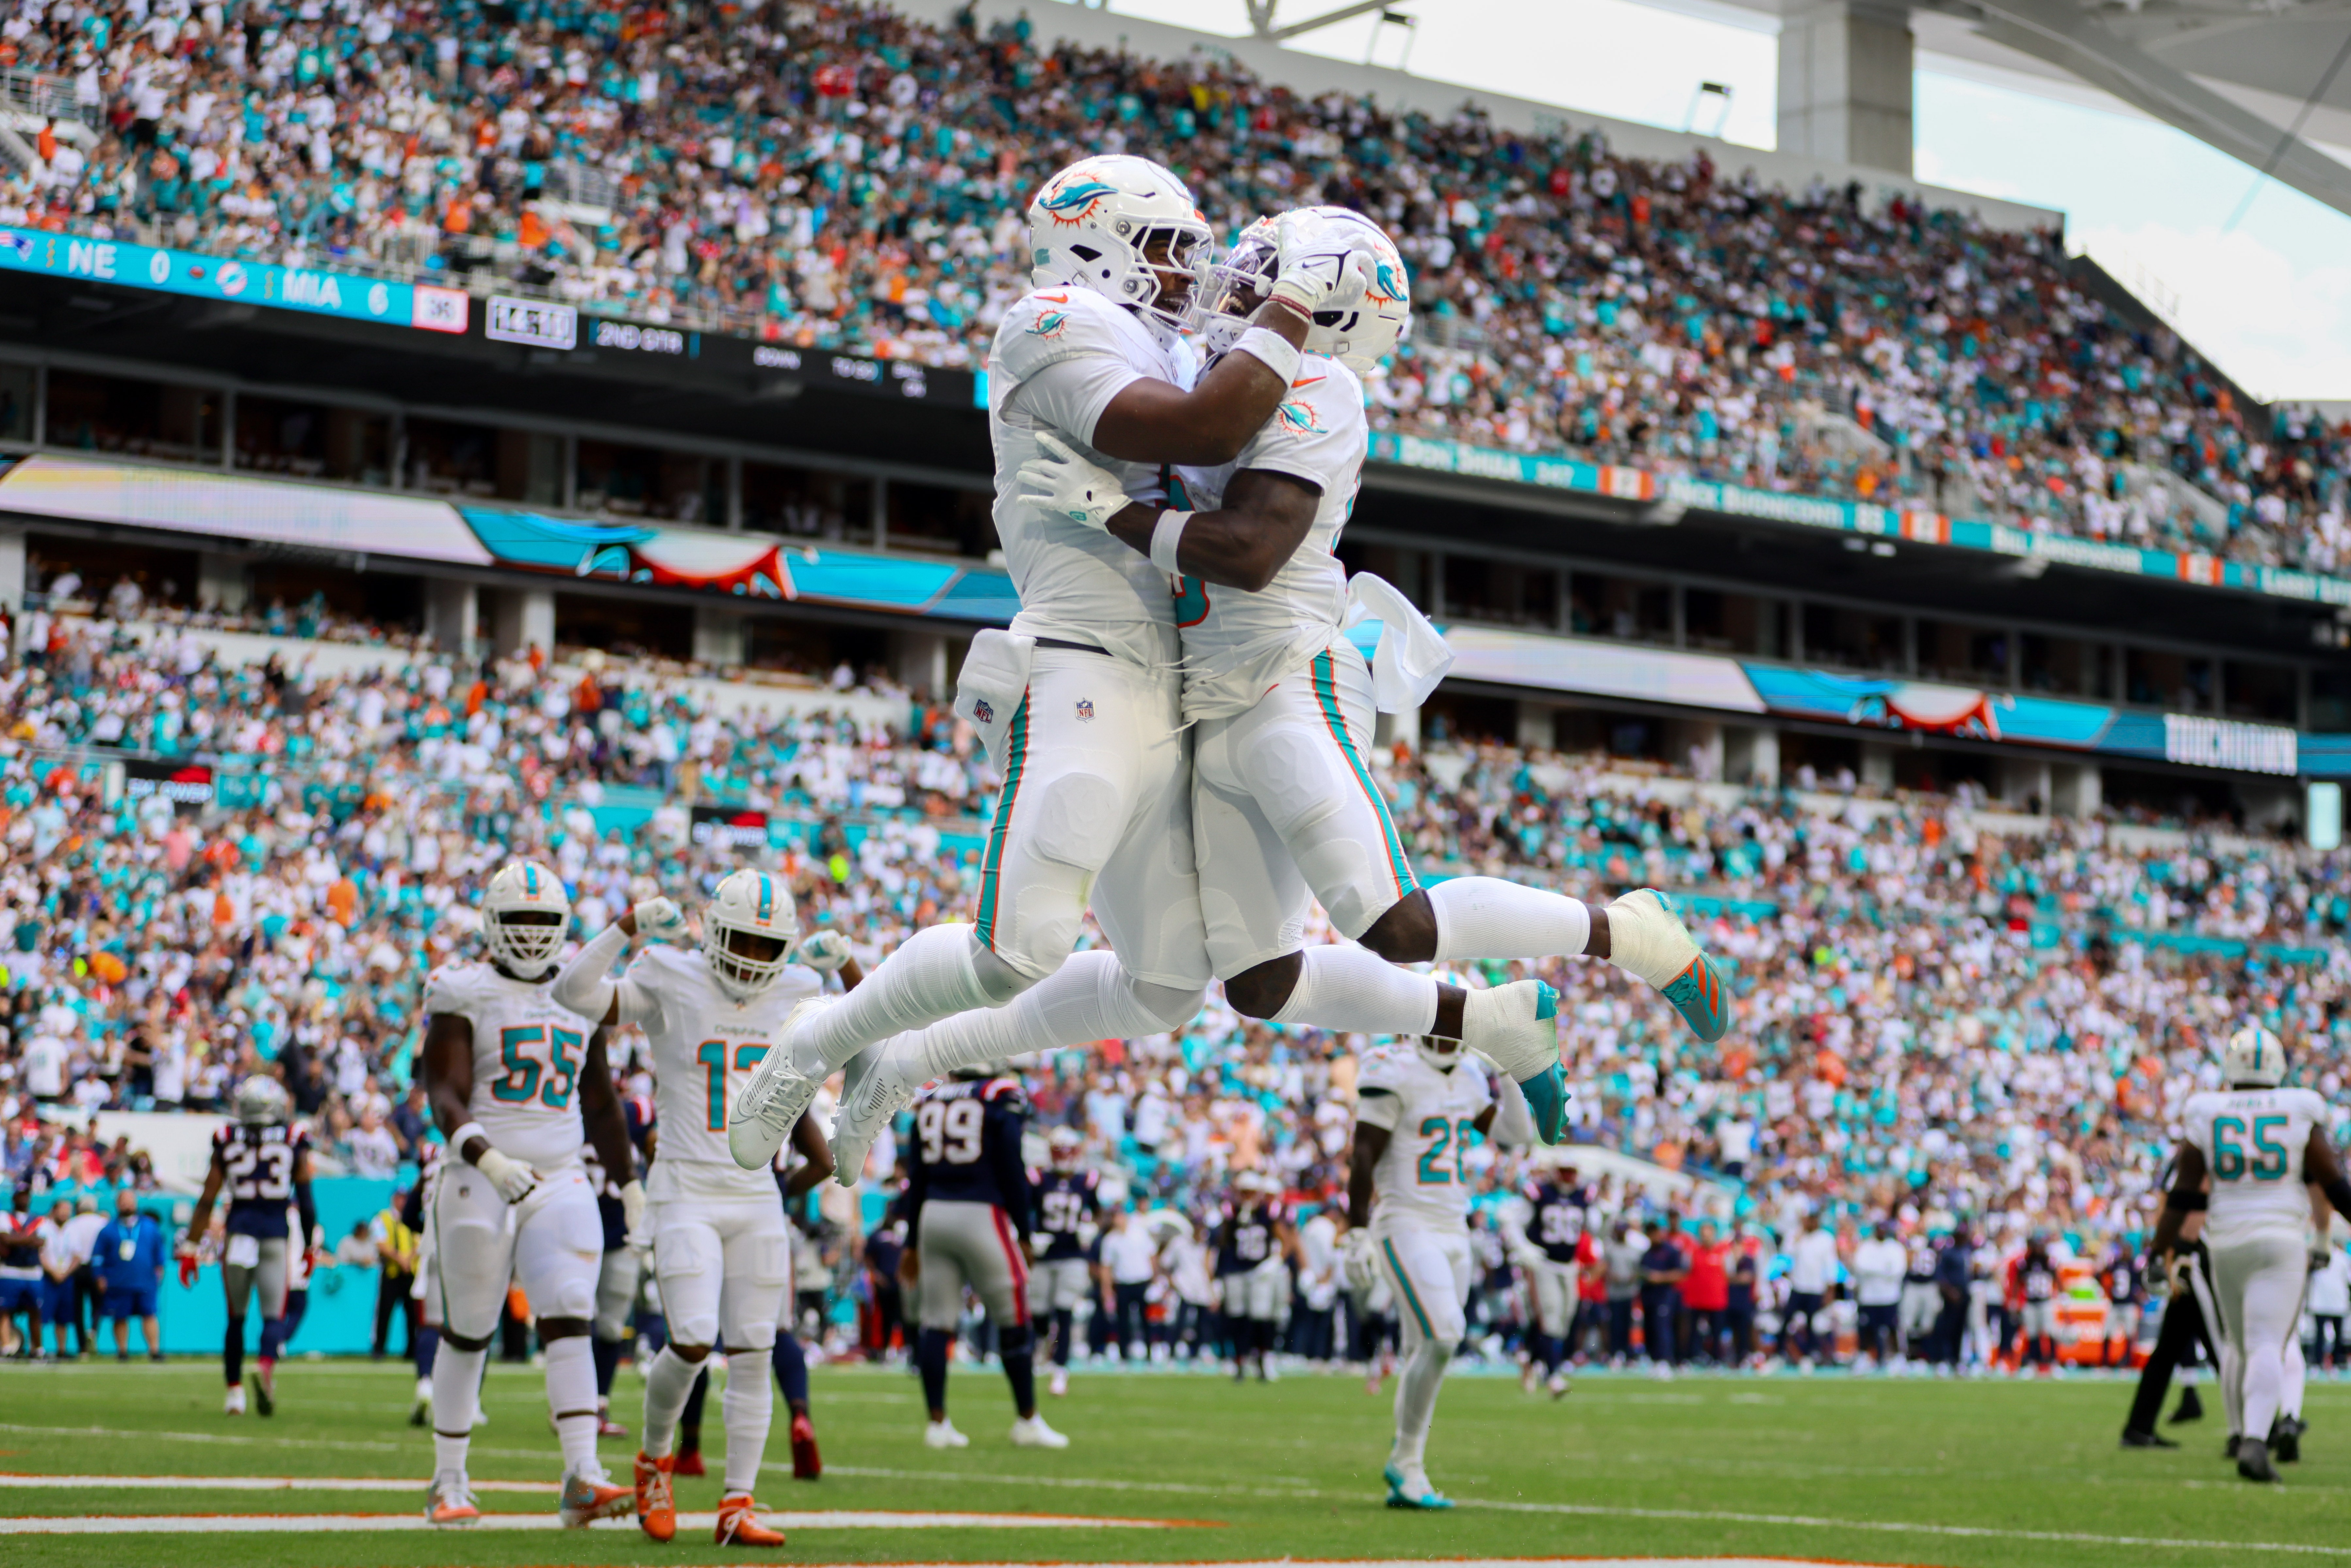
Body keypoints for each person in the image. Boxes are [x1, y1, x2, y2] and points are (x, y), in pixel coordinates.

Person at [826, 205, 1735, 1179]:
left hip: (1289, 677)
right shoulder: (1214, 374)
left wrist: (1111, 510)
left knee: (1396, 923)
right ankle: (1488, 1017)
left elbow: (1250, 553)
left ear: (1330, 317)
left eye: (1269, 276)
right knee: (1257, 982)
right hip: (1203, 696)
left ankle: (1628, 930)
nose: (1236, 288)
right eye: (1251, 269)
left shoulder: (1321, 387)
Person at [730, 155, 1348, 1168]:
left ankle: (908, 1060)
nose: (1184, 271)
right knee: (1018, 947)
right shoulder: (1052, 317)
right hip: (1084, 657)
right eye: (1160, 246)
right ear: (1090, 243)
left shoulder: (1170, 341)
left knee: (1163, 986)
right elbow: (1198, 428)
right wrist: (1291, 306)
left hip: (1178, 680)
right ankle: (810, 1047)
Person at [550, 870, 832, 1547]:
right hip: (685, 1187)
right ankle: (654, 1460)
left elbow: (867, 1032)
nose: (754, 960)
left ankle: (738, 1504)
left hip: (756, 1192)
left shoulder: (799, 990)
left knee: (756, 1348)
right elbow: (573, 992)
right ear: (713, 933)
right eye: (744, 942)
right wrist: (624, 927)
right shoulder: (671, 975)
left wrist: (846, 963)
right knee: (692, 1337)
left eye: (769, 947)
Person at [418, 859, 642, 1530]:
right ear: (491, 921)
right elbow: (444, 1094)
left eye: (543, 920)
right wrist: (487, 1158)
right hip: (476, 1174)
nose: (530, 932)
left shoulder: (579, 991)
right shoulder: (463, 988)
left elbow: (600, 1102)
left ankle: (582, 1476)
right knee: (471, 1328)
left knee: (572, 1310)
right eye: (518, 919)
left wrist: (630, 1183)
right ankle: (448, 1480)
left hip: (561, 1170)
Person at [1338, 1025, 1533, 1509]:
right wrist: (1357, 1229)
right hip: (1405, 1221)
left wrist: (1507, 1071)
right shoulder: (1393, 1066)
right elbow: (1364, 1153)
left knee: (1425, 1349)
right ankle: (1405, 1461)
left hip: (1454, 1226)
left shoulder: (1469, 1072)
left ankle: (1408, 1468)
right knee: (1445, 1336)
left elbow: (1514, 1135)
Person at [2149, 1025, 2351, 1481]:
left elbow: (2185, 1194)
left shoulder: (2207, 1110)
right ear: (2278, 1065)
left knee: (2239, 1346)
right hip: (2279, 1238)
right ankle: (2255, 1445)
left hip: (2226, 1242)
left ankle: (2241, 1431)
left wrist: (2158, 1250)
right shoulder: (2299, 1105)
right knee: (2267, 1344)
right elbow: (2333, 1184)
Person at [900, 1061, 1065, 1450]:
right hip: (981, 1214)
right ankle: (1027, 1420)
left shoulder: (931, 1100)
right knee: (1014, 1315)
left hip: (932, 1216)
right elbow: (1012, 1167)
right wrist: (1024, 1232)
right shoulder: (999, 1097)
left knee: (936, 1322)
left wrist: (910, 1241)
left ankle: (937, 1424)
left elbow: (917, 1177)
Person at [180, 1074, 314, 1414]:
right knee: (273, 1316)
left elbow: (208, 1197)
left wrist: (191, 1248)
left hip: (239, 1233)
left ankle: (235, 1395)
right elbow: (307, 1200)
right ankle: (266, 1366)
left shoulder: (227, 1137)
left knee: (236, 1318)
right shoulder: (292, 1137)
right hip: (274, 1234)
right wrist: (310, 1247)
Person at [1027, 1126, 1100, 1397]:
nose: (1063, 1156)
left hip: (1073, 1255)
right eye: (1059, 1150)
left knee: (1065, 1311)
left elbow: (1098, 1213)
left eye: (1067, 1151)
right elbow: (1024, 1208)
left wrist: (1090, 1228)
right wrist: (1030, 1234)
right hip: (1044, 1255)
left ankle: (1060, 1371)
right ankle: (1046, 1345)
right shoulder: (1038, 1178)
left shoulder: (1088, 1180)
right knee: (1039, 1312)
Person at [1505, 1164, 1587, 1396]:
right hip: (1544, 1264)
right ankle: (1553, 1376)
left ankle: (1530, 1360)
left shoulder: (1583, 1196)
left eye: (1572, 1171)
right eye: (1564, 1171)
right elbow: (1513, 1223)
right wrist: (1524, 1248)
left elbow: (1593, 1228)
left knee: (1564, 1320)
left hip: (1570, 1266)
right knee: (1550, 1316)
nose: (1569, 1176)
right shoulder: (1540, 1193)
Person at [1213, 1171, 1293, 1382]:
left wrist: (1274, 1262)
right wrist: (1218, 1274)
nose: (1247, 1197)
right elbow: (1222, 1243)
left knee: (1261, 1318)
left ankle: (1264, 1360)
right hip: (1236, 1271)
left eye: (1251, 1193)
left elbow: (1286, 1241)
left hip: (1260, 1271)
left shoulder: (1267, 1213)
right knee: (1237, 1319)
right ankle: (1239, 1362)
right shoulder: (1231, 1213)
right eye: (1244, 1192)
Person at [94, 1188, 165, 1361]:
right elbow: (97, 1257)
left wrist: (159, 1269)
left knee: (149, 1315)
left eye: (129, 1200)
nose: (126, 1204)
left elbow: (159, 1252)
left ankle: (154, 1351)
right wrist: (99, 1276)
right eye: (123, 1201)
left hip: (145, 1281)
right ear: (117, 1204)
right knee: (120, 1317)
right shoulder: (108, 1230)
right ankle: (123, 1351)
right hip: (118, 1282)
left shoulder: (149, 1226)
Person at [1781, 1211, 1839, 1368]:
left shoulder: (1826, 1239)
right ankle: (1782, 1352)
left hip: (1816, 1288)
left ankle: (1812, 1353)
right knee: (1787, 1318)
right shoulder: (1797, 1236)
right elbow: (1786, 1254)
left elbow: (1831, 1265)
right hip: (1799, 1286)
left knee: (1813, 1323)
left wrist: (1830, 1290)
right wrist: (1798, 1237)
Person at [1851, 1219, 1908, 1370]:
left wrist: (1875, 1271)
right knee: (1867, 1329)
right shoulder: (1866, 1247)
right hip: (1869, 1297)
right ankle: (1864, 1357)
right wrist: (1884, 1270)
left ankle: (1898, 1357)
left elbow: (1898, 1271)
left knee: (1892, 1328)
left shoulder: (1895, 1248)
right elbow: (1860, 1267)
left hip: (1890, 1297)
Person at [370, 1192, 420, 1363]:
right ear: (393, 1199)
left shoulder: (414, 1217)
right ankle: (379, 1349)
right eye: (400, 1198)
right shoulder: (383, 1218)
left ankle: (412, 1350)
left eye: (406, 1198)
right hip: (392, 1272)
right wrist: (400, 1259)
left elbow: (420, 1241)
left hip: (410, 1272)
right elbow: (381, 1243)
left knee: (413, 1314)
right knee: (384, 1313)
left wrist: (409, 1259)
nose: (403, 1201)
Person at [1637, 1217, 1686, 1378]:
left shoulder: (1670, 1251)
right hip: (1649, 1296)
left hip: (1665, 1295)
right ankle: (1654, 1359)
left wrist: (1660, 1277)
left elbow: (1680, 1273)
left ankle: (1666, 1360)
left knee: (1662, 1328)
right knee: (1650, 1328)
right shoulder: (1647, 1253)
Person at [0, 1184, 44, 1358]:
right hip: (10, 1270)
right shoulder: (5, 1216)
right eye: (20, 1195)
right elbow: (6, 1240)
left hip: (32, 1271)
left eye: (26, 1195)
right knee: (4, 1309)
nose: (23, 1199)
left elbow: (41, 1242)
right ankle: (6, 1346)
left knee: (35, 1310)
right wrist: (29, 1240)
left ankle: (37, 1348)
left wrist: (16, 1240)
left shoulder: (39, 1220)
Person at [1683, 1220, 1731, 1367]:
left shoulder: (1723, 1253)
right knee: (1693, 1331)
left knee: (1716, 1332)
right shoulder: (1693, 1252)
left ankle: (1717, 1359)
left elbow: (1729, 1273)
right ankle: (1692, 1357)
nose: (1706, 1237)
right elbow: (1686, 1271)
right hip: (1696, 1299)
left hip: (1716, 1299)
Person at [2310, 1233, 2349, 1372]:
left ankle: (2320, 1362)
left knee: (2321, 1335)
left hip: (2327, 1303)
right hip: (2332, 1303)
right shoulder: (2343, 1258)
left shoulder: (2340, 1258)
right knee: (2335, 1335)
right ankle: (2335, 1362)